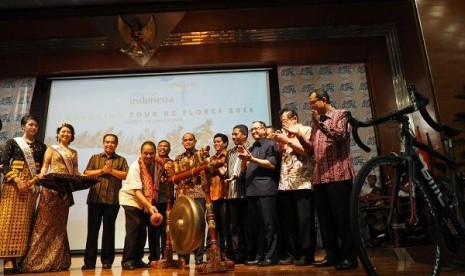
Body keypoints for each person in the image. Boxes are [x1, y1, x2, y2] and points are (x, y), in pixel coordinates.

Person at [283, 89, 358, 270]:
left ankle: (349, 257)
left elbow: (340, 135)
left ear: (323, 100)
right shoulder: (316, 122)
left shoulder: (342, 115)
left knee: (343, 219)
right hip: (319, 177)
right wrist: (299, 135)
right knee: (325, 221)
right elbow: (310, 150)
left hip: (338, 175)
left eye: (312, 102)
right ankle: (332, 254)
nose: (311, 107)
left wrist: (319, 123)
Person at [21, 123, 80, 272]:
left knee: (59, 226)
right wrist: (37, 180)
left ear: (72, 136)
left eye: (69, 132)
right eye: (63, 132)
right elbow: (45, 168)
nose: (66, 134)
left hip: (64, 192)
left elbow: (75, 172)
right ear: (58, 134)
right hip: (50, 190)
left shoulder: (73, 152)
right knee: (44, 225)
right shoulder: (51, 149)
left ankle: (57, 261)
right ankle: (36, 261)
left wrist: (88, 177)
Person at [0, 115, 46, 274]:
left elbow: (41, 170)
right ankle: (7, 260)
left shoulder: (41, 146)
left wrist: (32, 182)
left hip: (30, 188)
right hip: (13, 186)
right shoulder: (13, 142)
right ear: (23, 126)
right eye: (30, 125)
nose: (33, 128)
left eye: (36, 126)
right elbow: (4, 164)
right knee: (8, 221)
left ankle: (18, 258)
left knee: (24, 224)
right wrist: (18, 181)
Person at [271, 107, 316, 266]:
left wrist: (288, 140)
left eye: (285, 121)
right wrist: (280, 142)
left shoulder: (306, 130)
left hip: (302, 182)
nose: (283, 124)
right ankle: (292, 253)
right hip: (285, 184)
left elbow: (307, 152)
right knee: (288, 222)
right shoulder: (285, 134)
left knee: (304, 222)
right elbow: (283, 155)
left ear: (294, 119)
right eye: (282, 121)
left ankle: (307, 254)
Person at [82, 134, 129, 270]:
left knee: (109, 230)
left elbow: (125, 175)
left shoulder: (121, 159)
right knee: (92, 231)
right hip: (95, 199)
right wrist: (102, 170)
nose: (109, 144)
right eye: (107, 142)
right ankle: (89, 262)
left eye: (112, 142)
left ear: (116, 145)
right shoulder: (95, 157)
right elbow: (87, 173)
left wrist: (111, 170)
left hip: (112, 200)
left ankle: (107, 261)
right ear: (103, 143)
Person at [240, 121, 280, 267]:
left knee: (269, 225)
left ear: (264, 129)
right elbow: (244, 171)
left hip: (265, 189)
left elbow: (272, 164)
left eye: (257, 128)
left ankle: (271, 256)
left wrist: (252, 159)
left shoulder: (271, 144)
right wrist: (244, 159)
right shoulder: (252, 147)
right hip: (251, 191)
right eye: (252, 129)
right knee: (257, 227)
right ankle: (259, 255)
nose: (254, 131)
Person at [119, 141, 163, 270]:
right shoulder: (135, 167)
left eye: (151, 153)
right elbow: (137, 191)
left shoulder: (157, 165)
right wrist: (149, 206)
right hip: (131, 199)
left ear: (155, 154)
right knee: (135, 228)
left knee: (142, 231)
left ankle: (137, 259)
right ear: (141, 153)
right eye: (146, 153)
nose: (148, 156)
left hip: (145, 201)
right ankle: (127, 260)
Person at [174, 133, 207, 265]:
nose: (188, 142)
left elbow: (207, 173)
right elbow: (175, 178)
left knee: (199, 226)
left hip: (199, 193)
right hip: (184, 196)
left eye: (190, 140)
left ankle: (199, 258)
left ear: (195, 141)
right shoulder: (178, 158)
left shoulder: (202, 155)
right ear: (182, 142)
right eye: (185, 140)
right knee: (183, 226)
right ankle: (183, 258)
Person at [224, 124, 249, 263]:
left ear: (244, 135)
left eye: (236, 134)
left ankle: (248, 253)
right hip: (232, 194)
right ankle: (237, 254)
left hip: (246, 192)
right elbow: (229, 172)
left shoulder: (251, 148)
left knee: (247, 225)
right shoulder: (230, 152)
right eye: (232, 134)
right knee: (234, 226)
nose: (233, 136)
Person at [148, 140, 174, 262]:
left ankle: (166, 256)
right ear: (157, 148)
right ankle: (153, 256)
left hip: (167, 199)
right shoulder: (151, 161)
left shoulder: (173, 163)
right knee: (153, 229)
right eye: (161, 146)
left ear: (169, 149)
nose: (163, 148)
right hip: (153, 199)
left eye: (166, 146)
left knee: (166, 229)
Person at [209, 133, 229, 260]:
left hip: (225, 194)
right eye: (214, 142)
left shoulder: (229, 155)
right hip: (212, 195)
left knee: (226, 226)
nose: (216, 144)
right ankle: (216, 254)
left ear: (225, 143)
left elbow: (225, 172)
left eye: (218, 142)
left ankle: (226, 253)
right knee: (214, 226)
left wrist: (215, 168)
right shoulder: (211, 158)